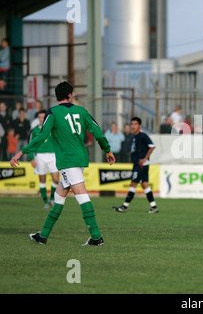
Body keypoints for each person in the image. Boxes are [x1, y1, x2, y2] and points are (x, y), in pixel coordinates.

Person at [10, 81, 115, 246]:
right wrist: (107, 150)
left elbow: (41, 136)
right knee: (59, 196)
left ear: (56, 96)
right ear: (70, 95)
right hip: (79, 158)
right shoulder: (81, 110)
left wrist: (21, 152)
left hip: (68, 160)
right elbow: (97, 131)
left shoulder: (52, 112)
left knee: (82, 196)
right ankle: (43, 235)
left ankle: (96, 237)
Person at [113, 117, 157, 214]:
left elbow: (152, 146)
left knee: (133, 183)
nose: (133, 126)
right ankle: (154, 207)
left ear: (139, 126)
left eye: (135, 124)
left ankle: (125, 206)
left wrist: (145, 158)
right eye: (132, 124)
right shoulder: (133, 136)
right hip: (138, 164)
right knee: (144, 184)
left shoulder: (142, 136)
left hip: (141, 164)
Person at [28, 109, 59, 208]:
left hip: (52, 155)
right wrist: (31, 158)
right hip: (40, 156)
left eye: (43, 117)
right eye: (40, 117)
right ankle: (45, 201)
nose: (41, 119)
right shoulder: (35, 130)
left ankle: (52, 199)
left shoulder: (52, 128)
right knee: (42, 179)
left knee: (56, 179)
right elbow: (30, 144)